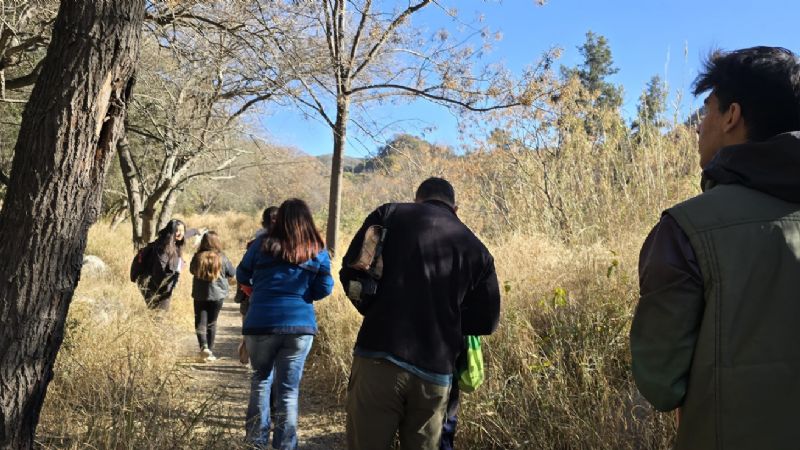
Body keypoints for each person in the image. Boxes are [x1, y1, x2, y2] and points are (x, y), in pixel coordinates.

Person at [630, 46, 800, 450]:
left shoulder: (685, 229)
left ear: (731, 116)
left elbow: (660, 380)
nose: (699, 126)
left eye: (707, 110)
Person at [340, 177, 501, 450]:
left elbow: (353, 273)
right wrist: (449, 322)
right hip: (436, 371)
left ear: (417, 199)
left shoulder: (388, 215)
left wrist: (370, 307)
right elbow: (487, 321)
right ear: (455, 208)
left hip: (379, 354)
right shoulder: (477, 250)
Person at [236, 199, 334, 449]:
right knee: (289, 392)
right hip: (299, 328)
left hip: (260, 324)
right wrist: (303, 296)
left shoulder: (261, 245)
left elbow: (241, 274)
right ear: (307, 219)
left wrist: (256, 292)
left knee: (260, 381)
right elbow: (325, 287)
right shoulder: (317, 249)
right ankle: (285, 446)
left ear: (278, 220)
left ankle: (255, 443)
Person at [236, 206, 279, 365]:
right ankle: (249, 352)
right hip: (262, 296)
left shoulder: (255, 243)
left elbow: (242, 272)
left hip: (253, 296)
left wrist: (250, 291)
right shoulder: (295, 244)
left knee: (250, 329)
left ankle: (248, 351)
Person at [189, 231, 236, 362]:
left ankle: (203, 347)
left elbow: (192, 271)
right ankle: (210, 350)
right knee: (212, 322)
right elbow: (232, 273)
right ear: (217, 242)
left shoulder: (198, 257)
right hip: (218, 295)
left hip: (199, 294)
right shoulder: (222, 257)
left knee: (200, 321)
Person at [133, 219, 187, 311]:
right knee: (159, 315)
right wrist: (166, 287)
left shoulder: (174, 243)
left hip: (160, 285)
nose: (180, 233)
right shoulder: (164, 247)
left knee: (157, 314)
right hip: (153, 285)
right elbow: (159, 271)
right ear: (171, 231)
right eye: (177, 230)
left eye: (182, 230)